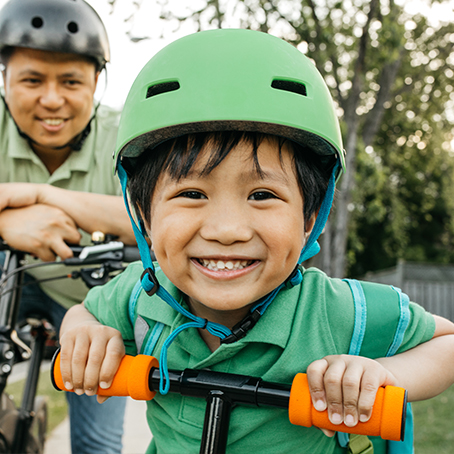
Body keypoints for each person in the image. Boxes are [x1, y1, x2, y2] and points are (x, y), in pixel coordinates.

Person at [57, 28, 454, 454]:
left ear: (310, 219)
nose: (227, 230)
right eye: (192, 194)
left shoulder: (336, 312)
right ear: (144, 219)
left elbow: (444, 343)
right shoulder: (140, 298)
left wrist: (382, 376)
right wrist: (83, 335)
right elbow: (84, 313)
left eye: (262, 195)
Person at [0, 0, 136, 452]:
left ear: (97, 82)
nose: (52, 99)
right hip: (9, 276)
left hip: (91, 301)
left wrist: (46, 197)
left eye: (71, 81)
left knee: (98, 445)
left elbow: (156, 223)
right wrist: (8, 225)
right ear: (5, 80)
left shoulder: (127, 134)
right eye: (32, 80)